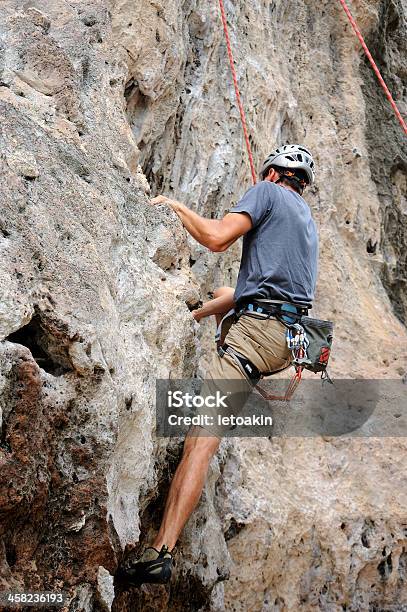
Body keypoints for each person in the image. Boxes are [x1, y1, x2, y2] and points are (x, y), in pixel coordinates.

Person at [115, 144, 318, 587]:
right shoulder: (305, 222)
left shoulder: (266, 194)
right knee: (229, 287)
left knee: (200, 441)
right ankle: (161, 550)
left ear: (270, 175)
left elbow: (216, 237)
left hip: (257, 333)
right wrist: (190, 316)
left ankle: (160, 552)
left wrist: (174, 207)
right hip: (282, 338)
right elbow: (247, 291)